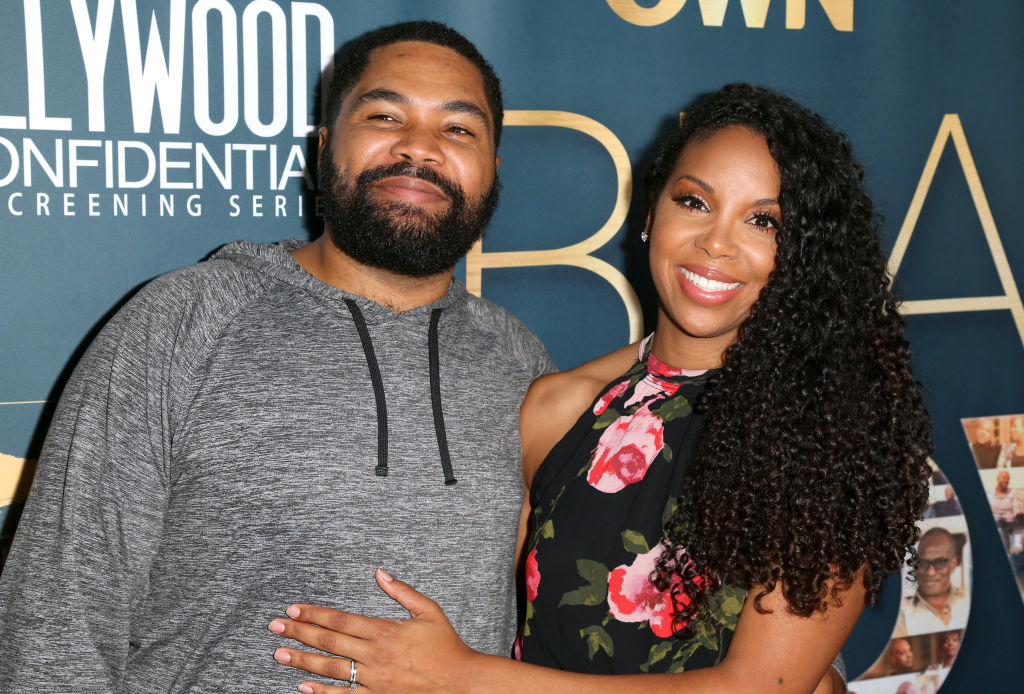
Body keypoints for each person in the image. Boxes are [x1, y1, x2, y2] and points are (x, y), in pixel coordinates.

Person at [269, 84, 932, 693]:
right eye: (693, 202)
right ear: (651, 213)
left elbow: (758, 687)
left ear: (803, 255)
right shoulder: (557, 408)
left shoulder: (827, 434)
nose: (715, 244)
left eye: (765, 221)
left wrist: (467, 679)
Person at [0, 21, 554, 691]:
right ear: (323, 151)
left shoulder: (524, 364)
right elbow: (58, 617)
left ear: (494, 170)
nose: (419, 148)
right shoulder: (184, 321)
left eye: (458, 130)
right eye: (385, 115)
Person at [894, 528, 968, 637]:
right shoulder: (900, 613)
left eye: (939, 562)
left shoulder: (970, 601)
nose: (930, 572)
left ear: (953, 563)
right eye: (922, 563)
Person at [989, 469, 1020, 550]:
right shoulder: (990, 495)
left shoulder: (1012, 493)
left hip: (1010, 522)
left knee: (1004, 525)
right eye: (1004, 478)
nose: (1006, 480)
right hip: (996, 523)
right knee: (1001, 524)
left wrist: (1019, 513)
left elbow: (1016, 509)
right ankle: (1006, 552)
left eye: (1008, 479)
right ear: (998, 479)